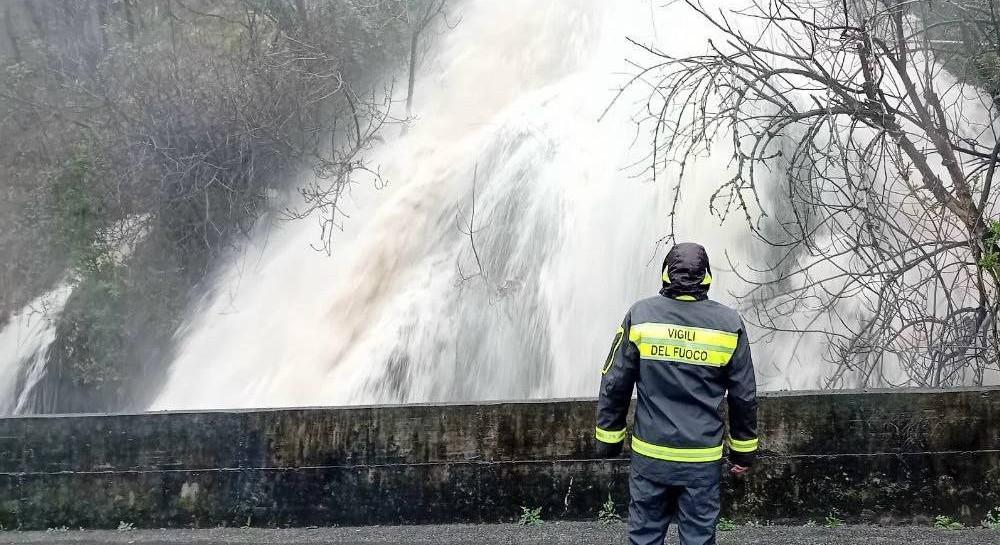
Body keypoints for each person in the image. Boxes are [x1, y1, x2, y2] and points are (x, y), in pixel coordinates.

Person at [595, 242, 758, 545]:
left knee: (644, 535)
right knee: (698, 537)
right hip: (701, 459)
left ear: (665, 274)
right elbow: (743, 394)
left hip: (650, 455)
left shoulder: (641, 315)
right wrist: (743, 452)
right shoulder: (729, 323)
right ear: (707, 276)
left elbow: (615, 381)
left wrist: (609, 439)